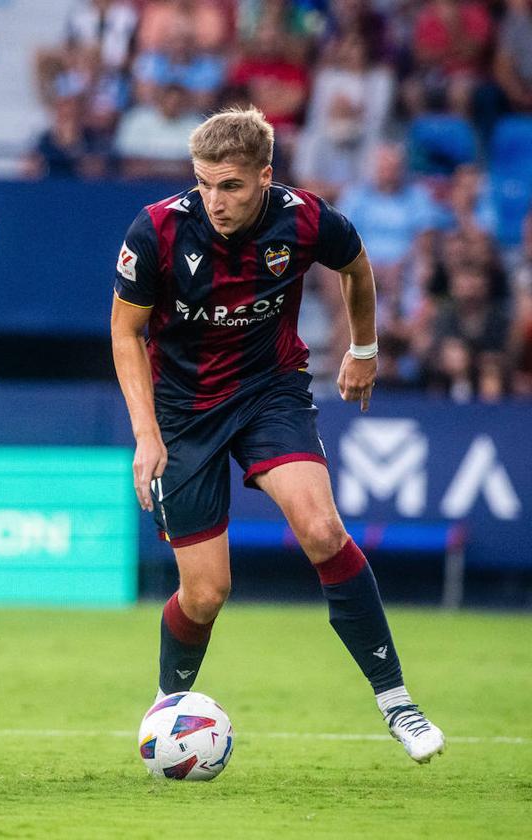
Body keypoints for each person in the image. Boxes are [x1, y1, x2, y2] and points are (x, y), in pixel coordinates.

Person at [109, 107, 445, 763]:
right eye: (204, 183)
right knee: (206, 593)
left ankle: (397, 701)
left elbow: (356, 266)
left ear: (265, 175)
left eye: (230, 185)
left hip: (271, 391)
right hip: (182, 414)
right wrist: (146, 435)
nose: (215, 200)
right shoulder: (155, 232)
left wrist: (366, 348)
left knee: (322, 530)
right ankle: (167, 704)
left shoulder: (306, 219)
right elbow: (126, 331)